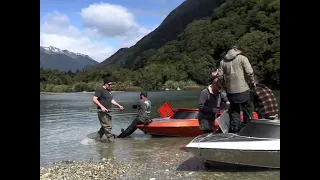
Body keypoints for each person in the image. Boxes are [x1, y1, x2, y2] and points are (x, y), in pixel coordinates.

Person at [215, 46, 255, 133]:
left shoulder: (223, 62)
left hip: (231, 91)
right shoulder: (242, 58)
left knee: (234, 112)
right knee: (247, 111)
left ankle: (235, 131)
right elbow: (250, 72)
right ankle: (248, 130)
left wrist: (224, 85)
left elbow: (220, 76)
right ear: (237, 52)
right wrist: (251, 82)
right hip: (244, 89)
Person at [92, 77, 124, 142]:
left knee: (105, 127)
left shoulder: (109, 91)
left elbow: (112, 100)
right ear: (105, 84)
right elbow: (94, 99)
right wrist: (101, 107)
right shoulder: (100, 89)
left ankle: (95, 140)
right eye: (110, 84)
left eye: (112, 85)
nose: (111, 86)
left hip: (108, 111)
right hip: (102, 112)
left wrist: (119, 105)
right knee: (107, 127)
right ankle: (112, 141)